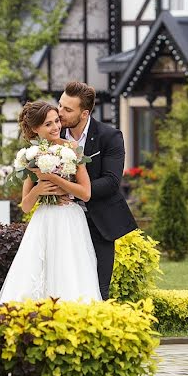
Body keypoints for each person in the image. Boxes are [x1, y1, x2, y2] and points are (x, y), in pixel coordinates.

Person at [0, 101, 102, 303]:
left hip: (70, 218)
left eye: (56, 121)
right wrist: (38, 190)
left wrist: (54, 179)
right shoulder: (32, 156)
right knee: (39, 268)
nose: (56, 127)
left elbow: (86, 193)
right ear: (36, 129)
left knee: (68, 269)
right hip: (44, 219)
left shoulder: (72, 150)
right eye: (48, 124)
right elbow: (26, 206)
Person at [57, 81, 137, 300]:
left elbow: (111, 182)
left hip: (99, 221)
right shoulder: (53, 134)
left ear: (84, 113)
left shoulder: (110, 136)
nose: (60, 113)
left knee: (99, 290)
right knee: (61, 285)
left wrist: (73, 190)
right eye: (60, 105)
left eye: (67, 109)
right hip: (61, 220)